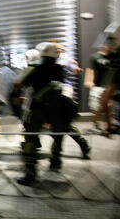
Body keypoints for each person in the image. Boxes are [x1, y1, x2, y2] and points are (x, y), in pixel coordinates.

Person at [14, 42, 78, 185]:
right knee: (58, 136)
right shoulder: (59, 68)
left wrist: (19, 97)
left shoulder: (34, 66)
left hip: (37, 109)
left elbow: (18, 83)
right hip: (57, 109)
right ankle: (55, 161)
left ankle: (30, 174)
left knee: (30, 138)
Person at [84, 44, 112, 129]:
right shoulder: (95, 57)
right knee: (95, 106)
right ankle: (95, 122)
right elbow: (90, 69)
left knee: (109, 105)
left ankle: (108, 125)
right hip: (97, 85)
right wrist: (88, 81)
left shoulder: (112, 57)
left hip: (109, 85)